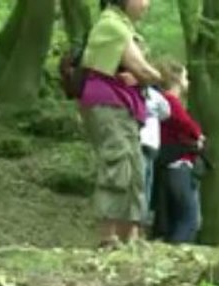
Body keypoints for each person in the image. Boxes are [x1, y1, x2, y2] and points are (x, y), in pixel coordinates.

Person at [77, 0, 163, 248]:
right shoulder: (112, 25)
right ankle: (108, 237)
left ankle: (131, 237)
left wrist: (140, 76)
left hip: (125, 106)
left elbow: (139, 73)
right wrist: (149, 75)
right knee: (118, 162)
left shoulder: (125, 28)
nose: (147, 3)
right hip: (108, 102)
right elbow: (146, 72)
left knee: (135, 168)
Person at [155, 60, 204, 244]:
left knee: (180, 218)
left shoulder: (165, 101)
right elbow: (187, 125)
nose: (188, 82)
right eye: (185, 77)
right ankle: (177, 253)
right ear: (176, 79)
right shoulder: (169, 101)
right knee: (189, 219)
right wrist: (198, 136)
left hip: (174, 164)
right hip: (178, 165)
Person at [139, 86, 170, 233]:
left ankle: (139, 227)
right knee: (143, 188)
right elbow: (166, 112)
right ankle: (138, 227)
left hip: (147, 145)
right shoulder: (153, 95)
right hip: (145, 144)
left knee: (144, 187)